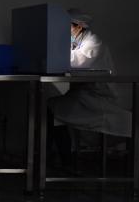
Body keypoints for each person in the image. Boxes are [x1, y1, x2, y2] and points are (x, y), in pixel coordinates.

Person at [47, 9, 132, 167]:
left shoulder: (93, 42)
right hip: (85, 97)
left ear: (79, 26)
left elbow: (76, 62)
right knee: (50, 109)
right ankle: (63, 160)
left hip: (98, 100)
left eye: (66, 27)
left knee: (50, 110)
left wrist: (50, 52)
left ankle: (59, 161)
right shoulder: (78, 43)